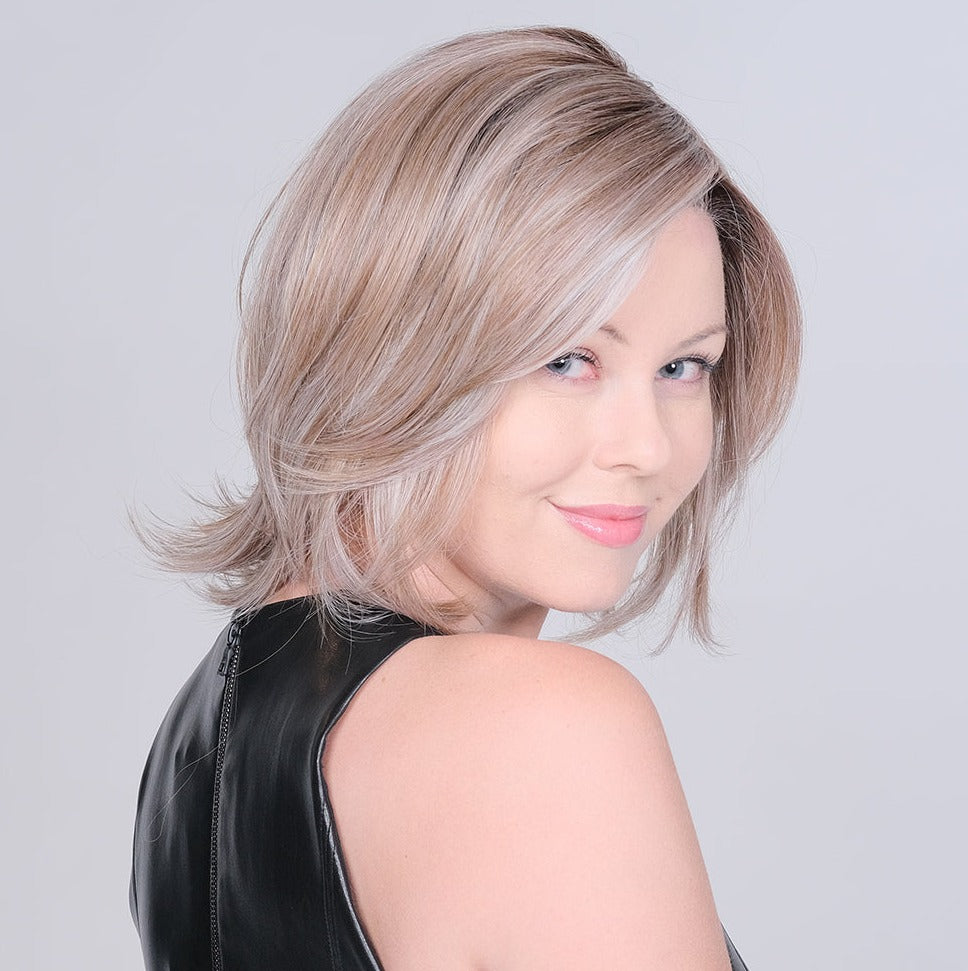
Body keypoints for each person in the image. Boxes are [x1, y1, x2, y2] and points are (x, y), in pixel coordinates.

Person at [130, 25, 800, 971]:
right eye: (567, 359)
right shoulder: (546, 726)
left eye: (684, 366)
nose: (647, 447)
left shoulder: (198, 743)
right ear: (394, 352)